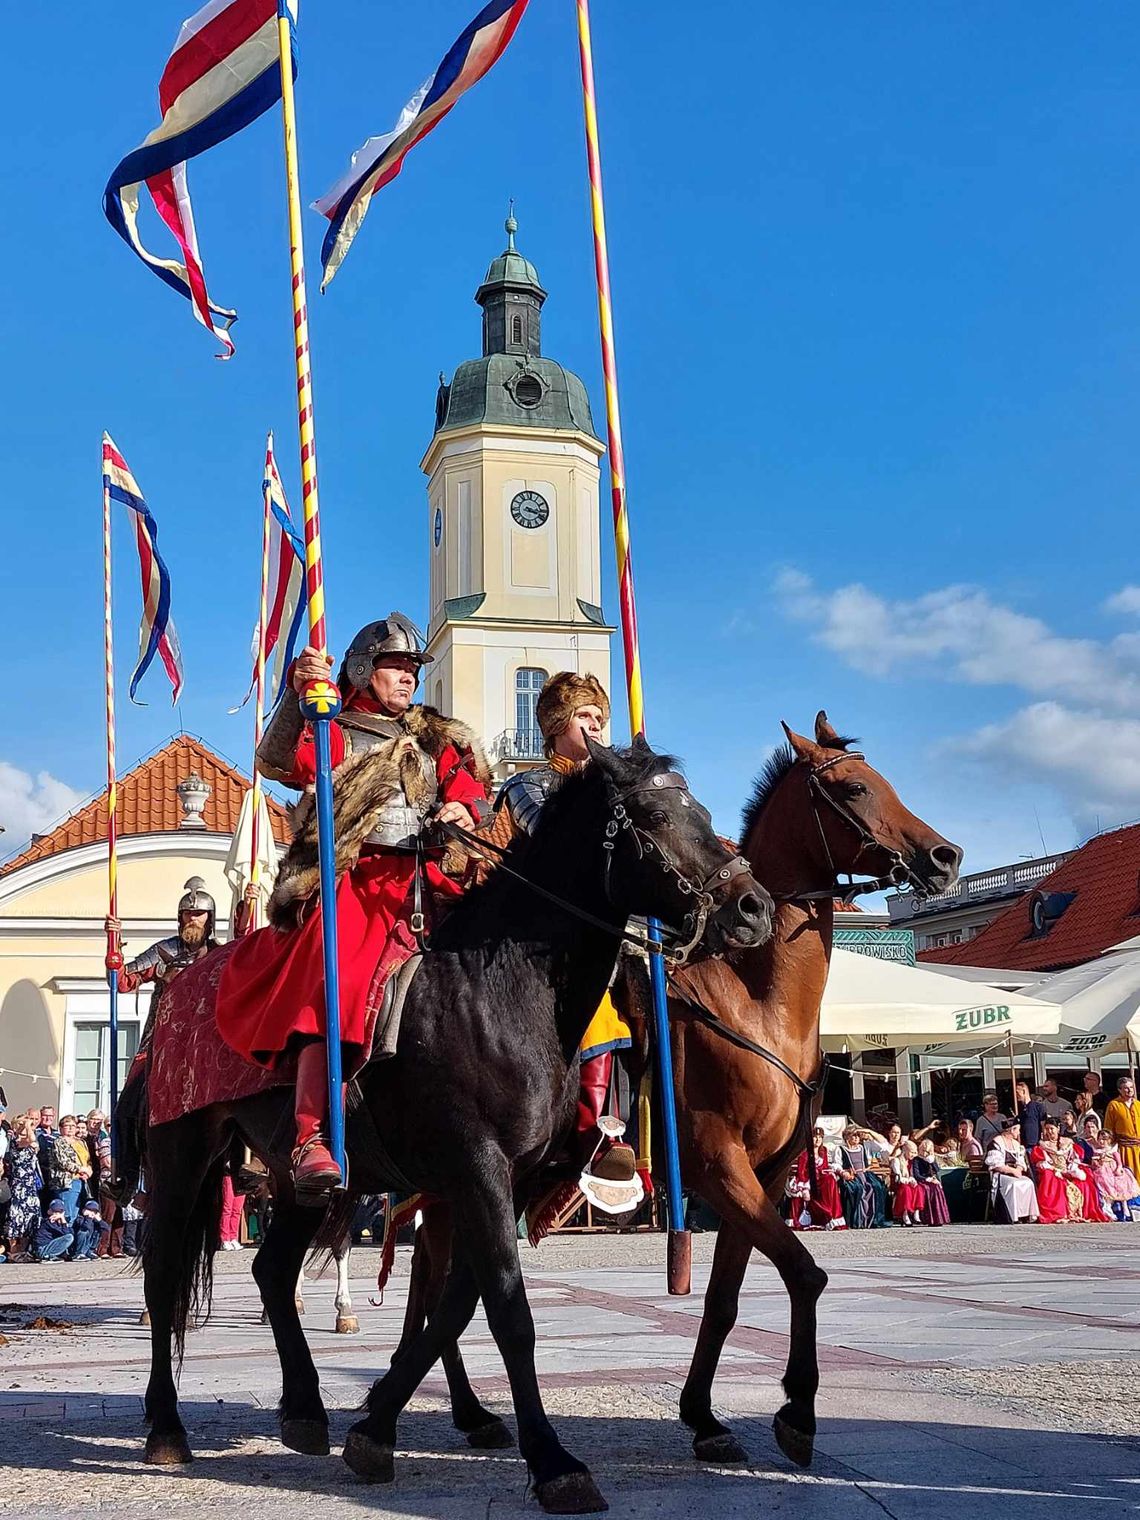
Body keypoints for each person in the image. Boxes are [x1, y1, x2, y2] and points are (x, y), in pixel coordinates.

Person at [216, 615, 490, 1201]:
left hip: (430, 878)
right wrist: (302, 697)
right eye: (397, 666)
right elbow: (282, 760)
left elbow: (469, 788)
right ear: (365, 668)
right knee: (337, 975)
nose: (409, 678)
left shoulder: (436, 738)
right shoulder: (335, 725)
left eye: (415, 669)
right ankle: (311, 1134)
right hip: (358, 881)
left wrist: (466, 812)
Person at [489, 671, 640, 1214]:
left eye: (601, 717)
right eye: (585, 717)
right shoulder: (528, 784)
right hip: (543, 940)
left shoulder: (618, 788)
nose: (597, 724)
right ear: (556, 726)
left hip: (609, 933)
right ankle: (594, 1135)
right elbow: (552, 842)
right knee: (598, 1011)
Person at [789, 1127, 846, 1230]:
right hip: (808, 1180)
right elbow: (801, 1172)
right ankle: (824, 1213)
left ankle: (832, 1215)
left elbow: (824, 1167)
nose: (818, 1140)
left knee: (830, 1180)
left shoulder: (823, 1150)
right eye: (815, 1137)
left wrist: (830, 1172)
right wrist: (804, 1188)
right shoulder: (805, 1153)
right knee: (827, 1182)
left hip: (820, 1180)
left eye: (820, 1137)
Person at [985, 1118, 1039, 1224]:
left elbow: (1021, 1161)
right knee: (1014, 1184)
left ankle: (1025, 1215)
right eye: (1017, 1130)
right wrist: (1012, 1171)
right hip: (1001, 1174)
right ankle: (1012, 1215)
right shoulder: (996, 1143)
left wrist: (1018, 1169)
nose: (1019, 1132)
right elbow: (996, 1164)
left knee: (1028, 1183)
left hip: (1014, 1172)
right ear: (1011, 1130)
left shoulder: (1016, 1144)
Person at [3, 1115, 42, 1257]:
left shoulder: (32, 1142)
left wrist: (29, 1126)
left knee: (30, 1216)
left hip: (30, 1186)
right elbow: (25, 1142)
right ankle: (13, 1250)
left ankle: (24, 1250)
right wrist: (25, 1125)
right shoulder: (14, 1142)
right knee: (15, 1216)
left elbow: (33, 1142)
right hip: (19, 1185)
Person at [1030, 1120, 1084, 1223]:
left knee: (1086, 1180)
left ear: (1058, 1129)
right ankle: (1059, 1213)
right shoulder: (1043, 1146)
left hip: (1068, 1170)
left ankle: (1082, 1212)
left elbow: (1074, 1159)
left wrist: (1072, 1169)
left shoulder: (1067, 1142)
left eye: (1052, 1129)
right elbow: (1041, 1163)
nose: (1049, 1132)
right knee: (1052, 1180)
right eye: (1047, 1129)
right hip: (1053, 1171)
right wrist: (1054, 1170)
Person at [838, 1126, 890, 1228]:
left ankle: (874, 1220)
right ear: (847, 1137)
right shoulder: (840, 1149)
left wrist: (869, 1132)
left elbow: (884, 1145)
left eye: (858, 1135)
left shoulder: (865, 1146)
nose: (856, 1138)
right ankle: (857, 1220)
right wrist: (843, 1172)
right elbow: (837, 1164)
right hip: (851, 1176)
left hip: (865, 1174)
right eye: (853, 1135)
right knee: (856, 1188)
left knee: (877, 1186)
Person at [49, 1116, 92, 1222]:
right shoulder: (59, 1142)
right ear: (61, 1128)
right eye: (67, 1126)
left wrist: (89, 1170)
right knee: (66, 1214)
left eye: (73, 1126)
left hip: (81, 1181)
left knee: (75, 1213)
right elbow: (63, 1162)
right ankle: (64, 1236)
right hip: (66, 1182)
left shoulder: (81, 1142)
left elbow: (88, 1160)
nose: (71, 1128)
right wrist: (81, 1169)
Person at [1090, 1130, 1140, 1221]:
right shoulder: (1097, 1151)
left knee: (1121, 1181)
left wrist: (1118, 1168)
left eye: (1104, 1139)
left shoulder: (1112, 1150)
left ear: (1110, 1140)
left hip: (1112, 1169)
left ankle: (1124, 1205)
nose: (1101, 1141)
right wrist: (1097, 1163)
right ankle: (1108, 1205)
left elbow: (1119, 1162)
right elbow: (1094, 1164)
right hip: (1102, 1170)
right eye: (1100, 1139)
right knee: (1105, 1180)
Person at [1105, 1076, 1140, 1183]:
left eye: (1131, 1087)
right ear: (1120, 1090)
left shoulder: (1138, 1104)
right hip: (1125, 1148)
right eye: (1126, 1088)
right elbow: (1108, 1129)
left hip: (1139, 1146)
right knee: (1129, 1178)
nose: (1129, 1090)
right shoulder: (1114, 1105)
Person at [912, 1139, 951, 1225]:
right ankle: (928, 1218)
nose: (924, 1153)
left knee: (937, 1188)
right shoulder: (916, 1160)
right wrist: (927, 1179)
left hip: (932, 1180)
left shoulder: (931, 1159)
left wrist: (932, 1162)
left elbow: (937, 1170)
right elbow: (917, 1174)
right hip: (922, 1180)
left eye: (927, 1151)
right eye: (923, 1150)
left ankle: (938, 1218)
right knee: (928, 1189)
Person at [890, 1141, 927, 1226]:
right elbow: (898, 1177)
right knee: (906, 1189)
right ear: (905, 1151)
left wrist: (913, 1180)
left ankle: (916, 1213)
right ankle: (905, 1214)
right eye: (911, 1152)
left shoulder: (912, 1162)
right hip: (899, 1184)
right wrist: (908, 1180)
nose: (913, 1155)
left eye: (915, 1152)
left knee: (919, 1188)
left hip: (909, 1182)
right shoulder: (897, 1160)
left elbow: (913, 1175)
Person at [1014, 1082, 1047, 1150]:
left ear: (1023, 1091)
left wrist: (1045, 1140)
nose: (1016, 1095)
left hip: (1036, 1145)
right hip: (1024, 1146)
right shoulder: (1020, 1110)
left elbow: (1043, 1124)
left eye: (1017, 1092)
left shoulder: (1037, 1106)